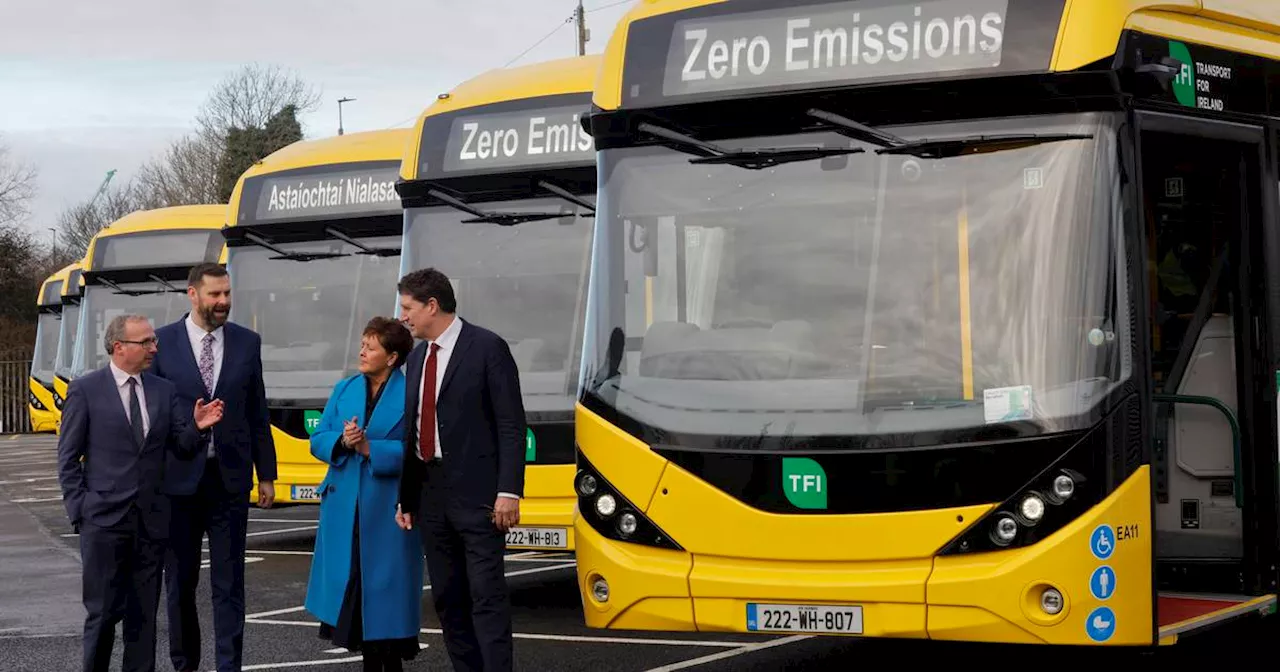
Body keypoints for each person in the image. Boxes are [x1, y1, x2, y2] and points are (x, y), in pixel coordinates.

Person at [57, 314, 225, 672]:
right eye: (145, 342)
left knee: (143, 618)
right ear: (119, 347)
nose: (154, 348)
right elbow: (68, 458)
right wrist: (81, 510)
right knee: (102, 615)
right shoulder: (85, 390)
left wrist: (196, 426)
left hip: (150, 522)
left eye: (153, 341)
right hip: (102, 522)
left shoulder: (163, 390)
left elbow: (180, 445)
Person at [395, 267, 527, 672]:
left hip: (480, 496)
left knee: (486, 596)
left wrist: (509, 490)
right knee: (447, 599)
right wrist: (407, 497)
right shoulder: (417, 358)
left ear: (432, 306)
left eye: (408, 308)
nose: (403, 317)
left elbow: (510, 424)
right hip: (431, 496)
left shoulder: (487, 347)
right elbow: (413, 432)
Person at [150, 263, 277, 672]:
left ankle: (229, 666)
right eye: (215, 295)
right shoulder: (163, 344)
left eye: (227, 293)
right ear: (192, 294)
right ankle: (185, 664)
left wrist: (268, 474)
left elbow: (258, 412)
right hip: (178, 484)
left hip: (230, 482)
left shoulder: (247, 342)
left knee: (229, 584)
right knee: (181, 584)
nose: (223, 302)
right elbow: (152, 418)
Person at [305, 317, 423, 672]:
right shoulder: (345, 388)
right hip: (344, 507)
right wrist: (343, 442)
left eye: (370, 347)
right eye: (362, 344)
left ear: (391, 357)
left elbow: (420, 449)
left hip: (389, 508)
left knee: (386, 598)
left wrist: (371, 448)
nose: (362, 351)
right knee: (353, 590)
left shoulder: (412, 393)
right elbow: (318, 439)